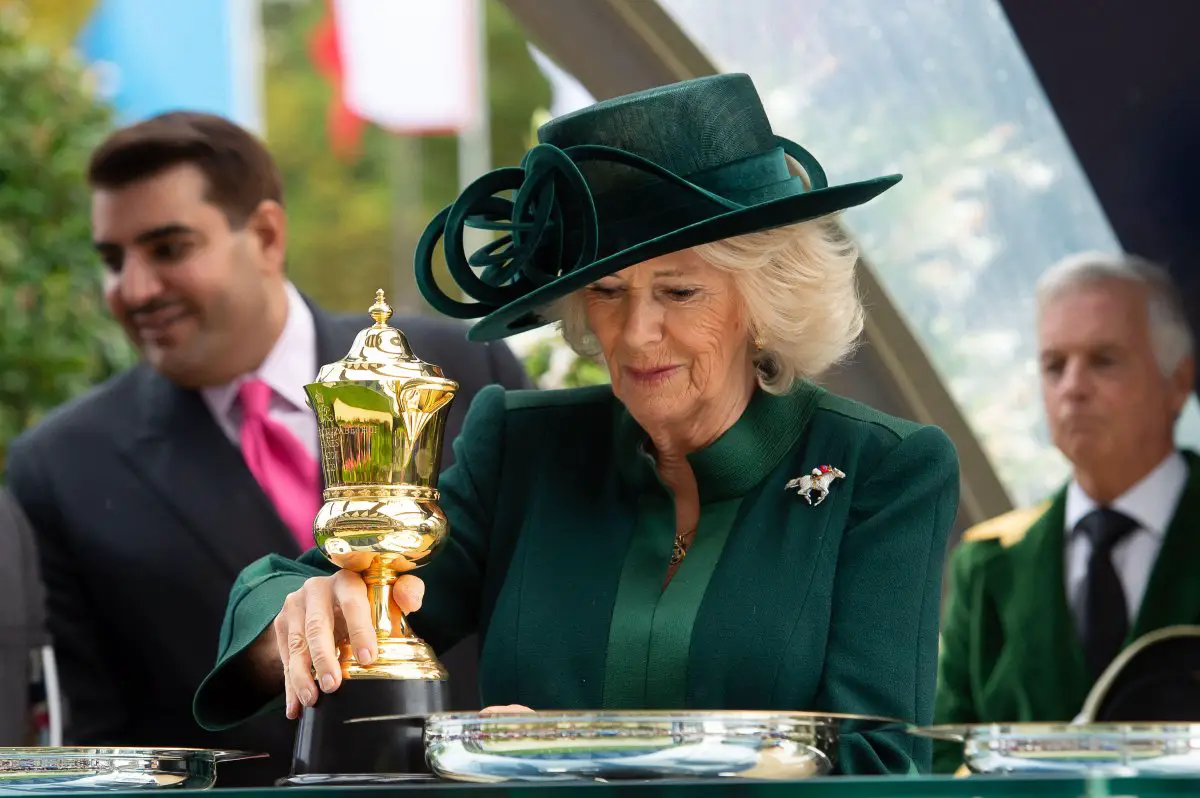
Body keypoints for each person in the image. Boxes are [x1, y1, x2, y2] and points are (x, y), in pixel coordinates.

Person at [193, 73, 961, 775]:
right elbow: (312, 588)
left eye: (680, 292)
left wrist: (585, 758)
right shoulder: (523, 448)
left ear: (767, 300)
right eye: (608, 292)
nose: (634, 335)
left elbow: (879, 762)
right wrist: (299, 623)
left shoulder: (882, 468)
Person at [3, 112, 528, 786]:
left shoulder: (464, 370)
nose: (132, 290)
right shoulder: (61, 464)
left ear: (266, 235)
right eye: (112, 260)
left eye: (168, 249)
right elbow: (96, 749)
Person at [933, 252, 1200, 772]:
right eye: (1054, 365)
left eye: (1104, 360)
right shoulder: (988, 564)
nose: (1072, 388)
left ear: (1178, 382)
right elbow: (940, 757)